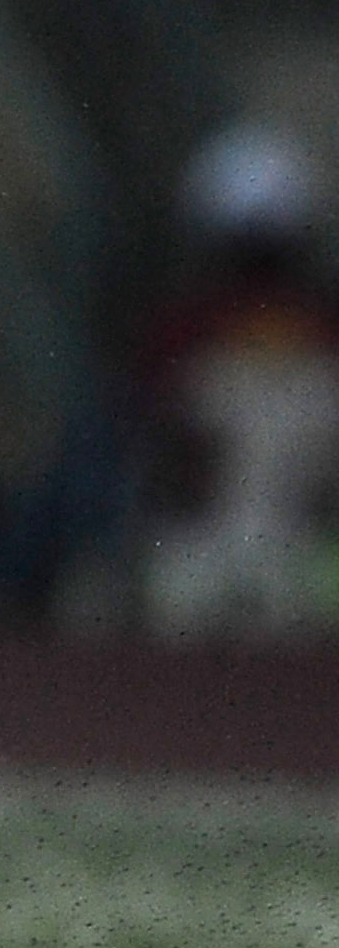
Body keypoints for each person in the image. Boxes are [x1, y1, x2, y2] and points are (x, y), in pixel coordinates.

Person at [135, 122, 339, 638]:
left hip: (204, 569)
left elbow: (156, 445)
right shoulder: (326, 331)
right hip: (308, 571)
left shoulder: (183, 331)